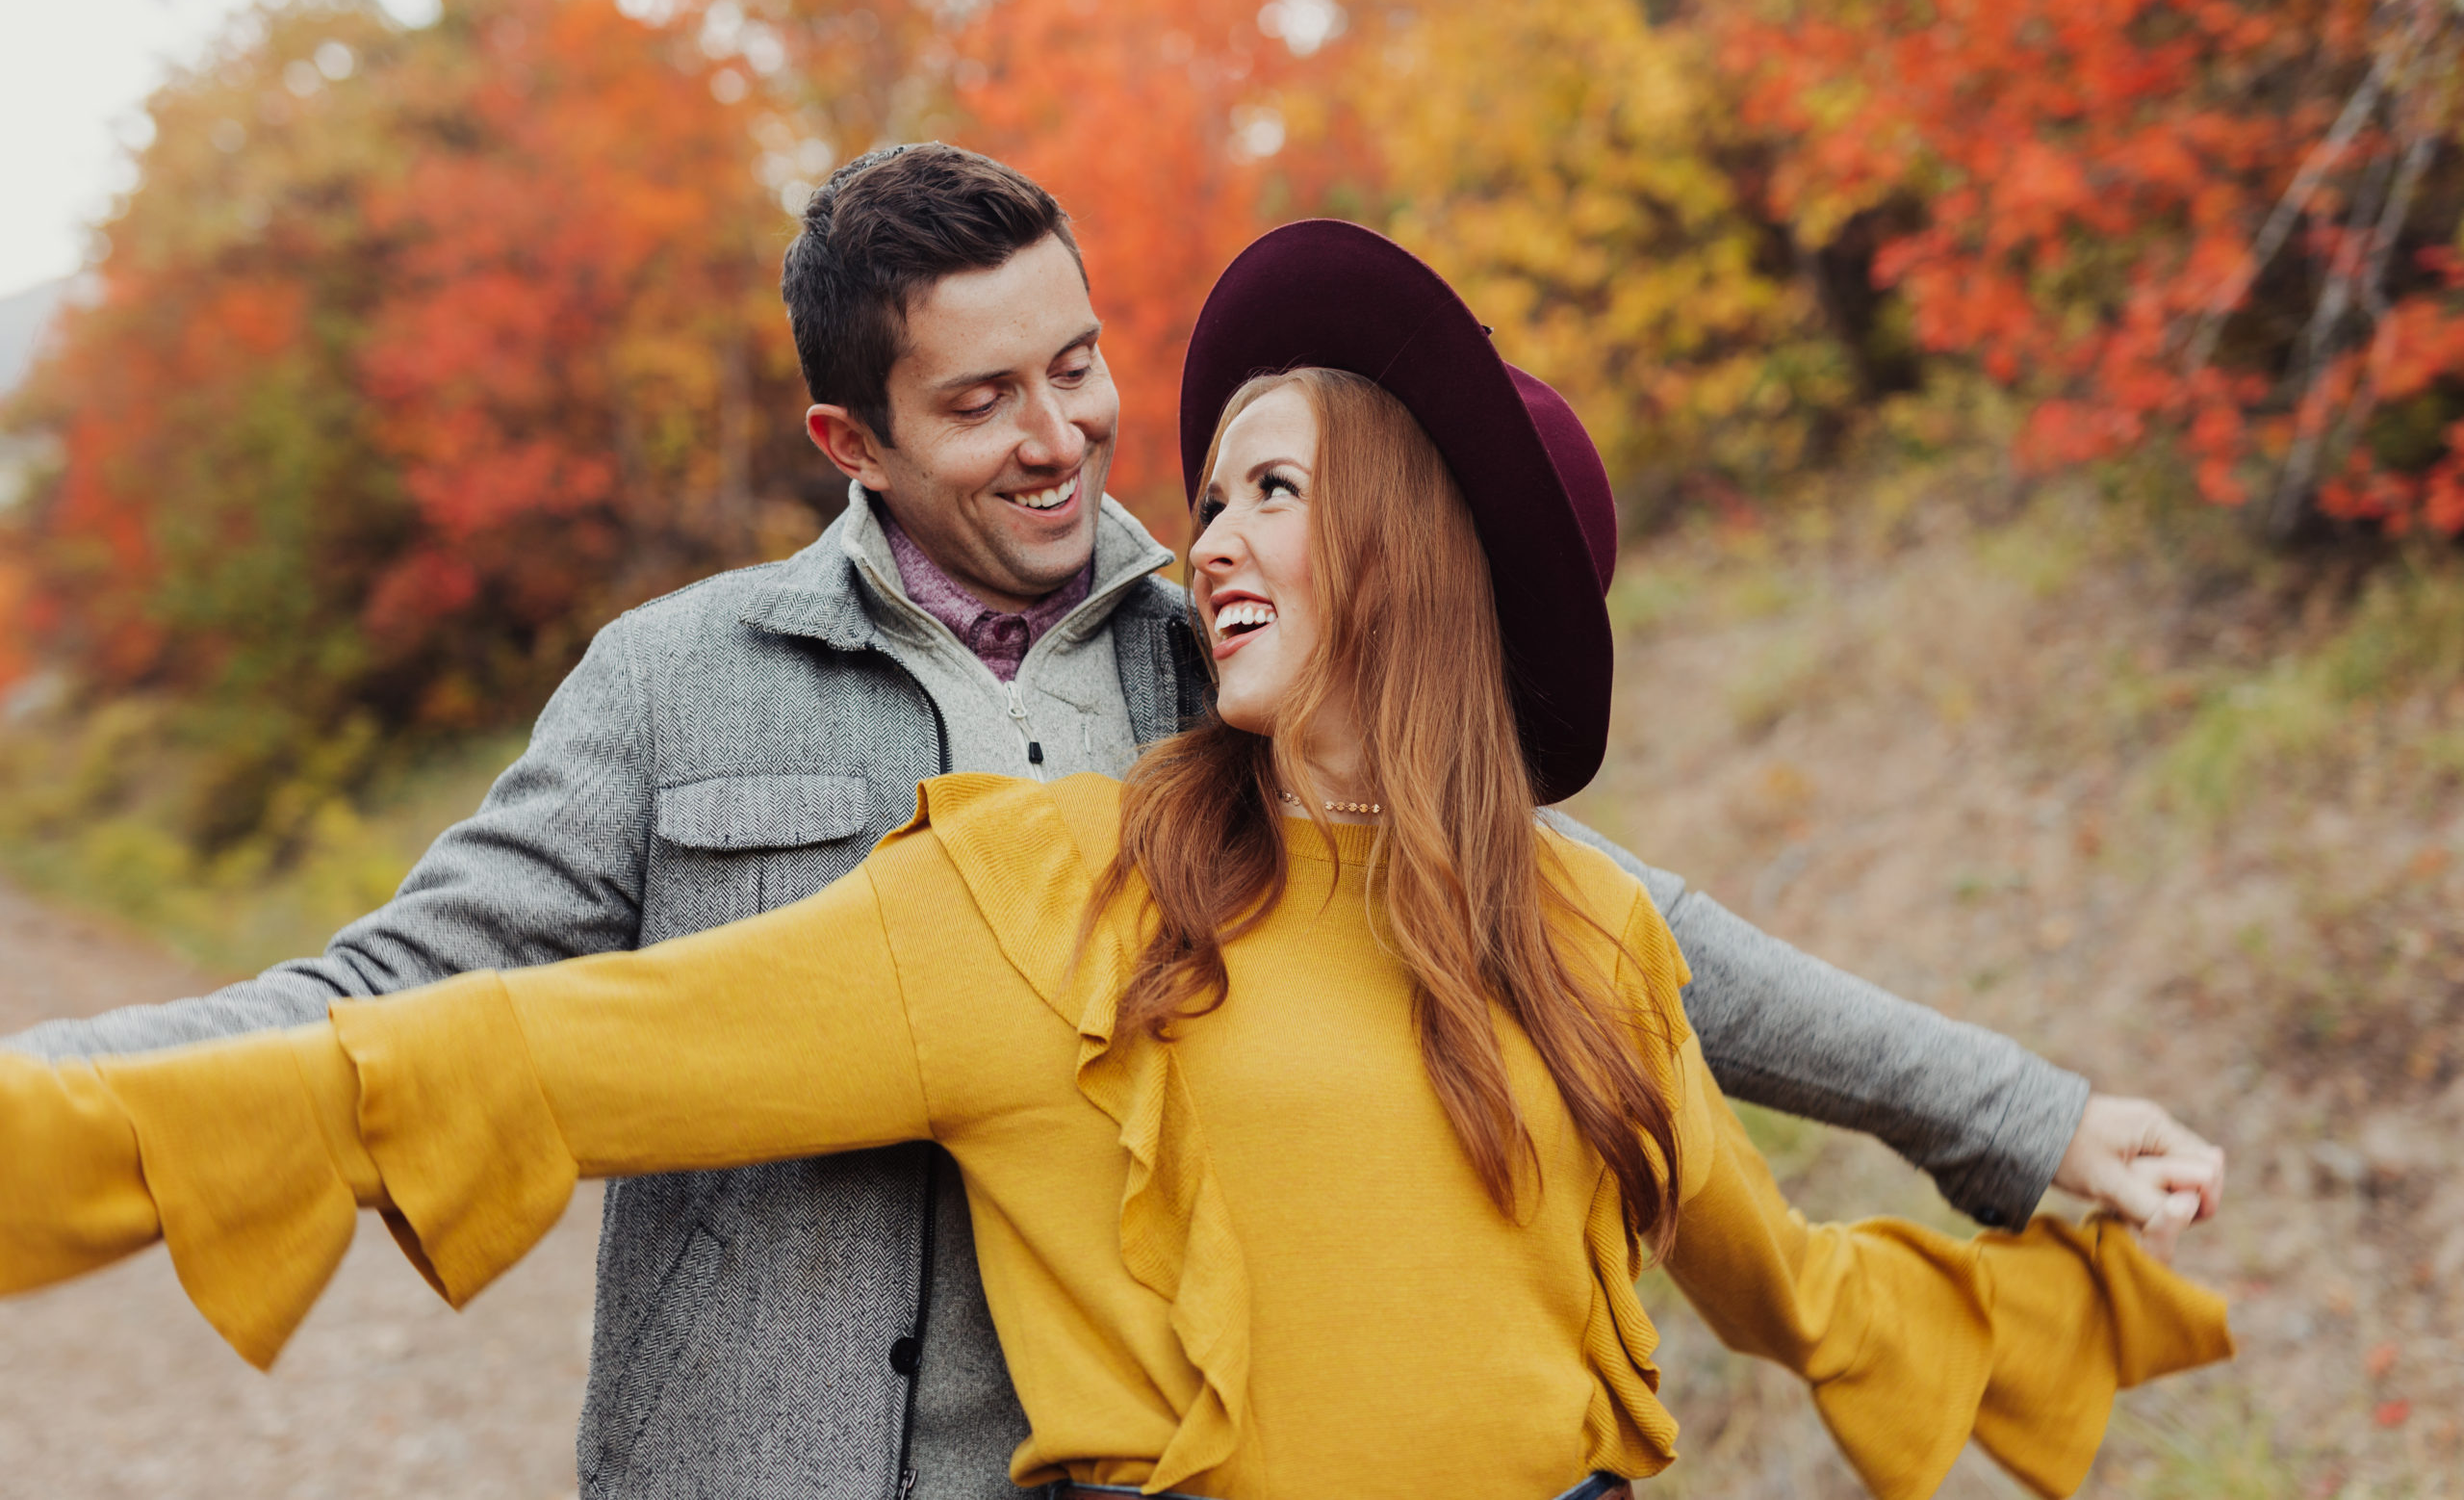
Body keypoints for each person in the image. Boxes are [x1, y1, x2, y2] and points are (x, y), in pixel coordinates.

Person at [2, 156, 2220, 1500]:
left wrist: (2022, 1116)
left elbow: (1630, 966)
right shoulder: (702, 696)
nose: (1078, 439)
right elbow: (438, 1021)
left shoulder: (1223, 668)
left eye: (1084, 365)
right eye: (986, 399)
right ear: (846, 434)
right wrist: (65, 1111)